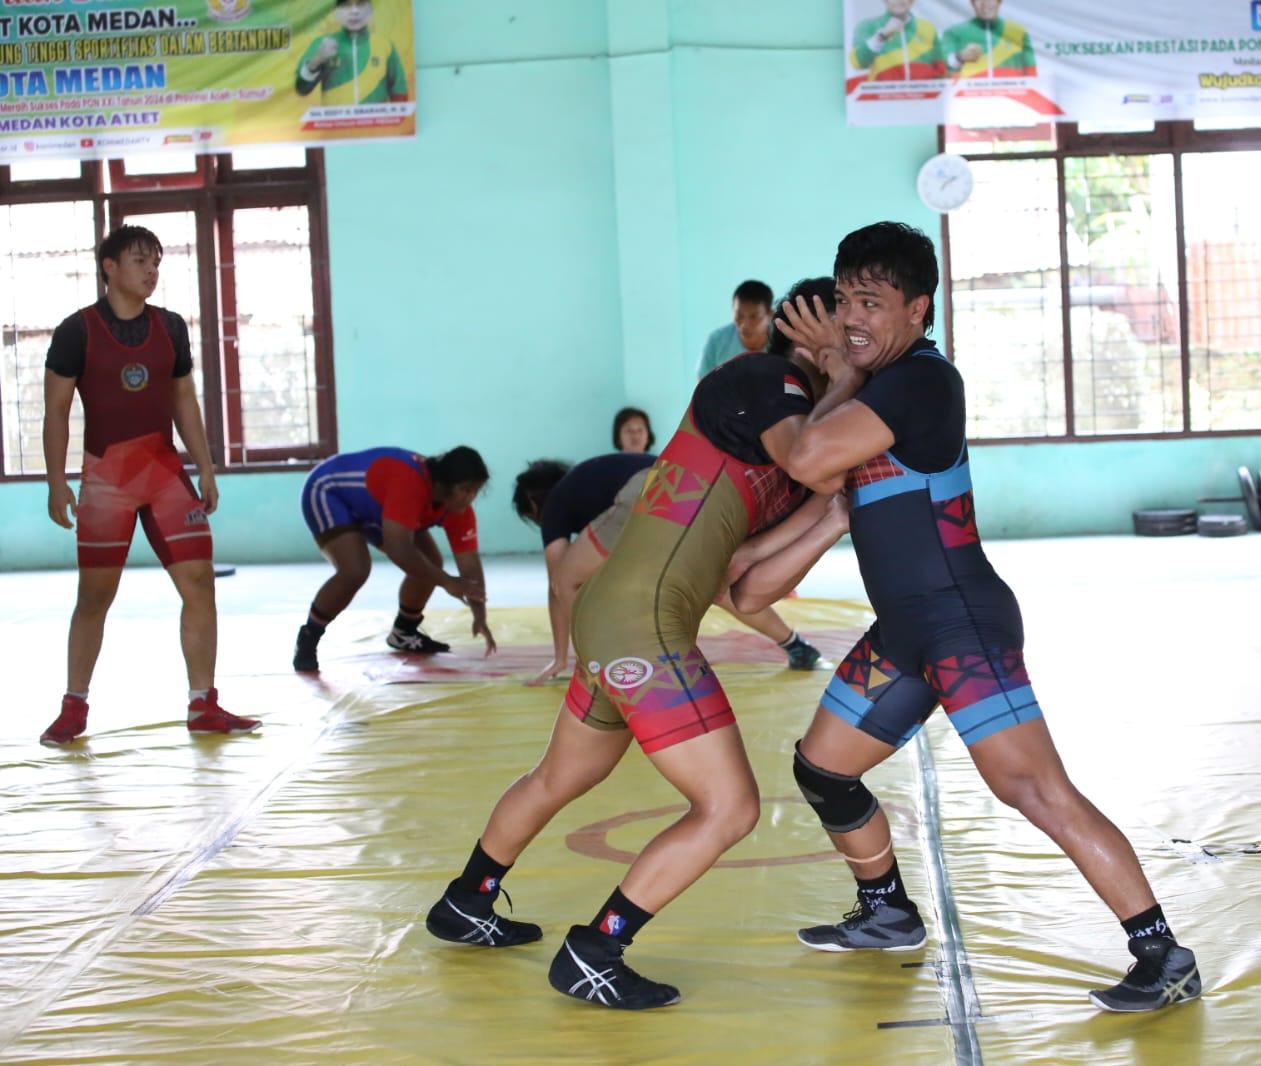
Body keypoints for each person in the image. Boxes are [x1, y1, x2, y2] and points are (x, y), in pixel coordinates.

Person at [773, 222, 1199, 1014]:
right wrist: (839, 367)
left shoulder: (919, 382)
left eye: (871, 301)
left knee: (1032, 790)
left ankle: (1161, 952)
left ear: (917, 310)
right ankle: (887, 911)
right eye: (842, 300)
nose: (852, 315)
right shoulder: (877, 384)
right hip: (905, 632)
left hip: (961, 624)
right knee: (823, 768)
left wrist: (832, 366)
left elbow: (804, 460)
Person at [425, 298, 855, 1010]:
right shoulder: (761, 381)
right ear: (809, 333)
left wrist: (831, 517)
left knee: (558, 776)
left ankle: (465, 900)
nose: (855, 350)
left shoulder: (786, 465)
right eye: (846, 328)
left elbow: (744, 591)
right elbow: (817, 452)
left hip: (618, 619)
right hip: (641, 629)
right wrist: (840, 371)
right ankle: (595, 950)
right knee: (727, 808)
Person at [38, 225, 259, 746]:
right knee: (95, 596)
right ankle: (74, 706)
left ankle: (203, 703)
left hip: (164, 473)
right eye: (140, 261)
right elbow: (56, 411)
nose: (151, 270)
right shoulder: (77, 332)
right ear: (109, 267)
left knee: (200, 583)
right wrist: (55, 481)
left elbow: (185, 398)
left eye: (157, 261)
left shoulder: (172, 327)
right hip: (106, 478)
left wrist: (204, 465)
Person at [512, 451, 824, 686]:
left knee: (568, 577)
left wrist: (560, 657)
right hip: (691, 488)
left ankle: (595, 666)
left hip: (648, 490)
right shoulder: (591, 478)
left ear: (534, 504)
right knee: (716, 584)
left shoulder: (557, 504)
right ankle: (795, 645)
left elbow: (559, 583)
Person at [292, 445, 495, 672]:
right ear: (444, 484)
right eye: (466, 490)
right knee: (355, 570)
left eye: (476, 491)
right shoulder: (410, 484)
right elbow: (399, 551)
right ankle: (309, 637)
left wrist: (480, 617)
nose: (470, 498)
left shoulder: (459, 509)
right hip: (328, 492)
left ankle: (404, 631)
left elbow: (470, 567)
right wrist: (448, 582)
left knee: (430, 562)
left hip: (376, 506)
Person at [294, 0, 410, 104]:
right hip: (335, 125)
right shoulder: (322, 43)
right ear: (336, 12)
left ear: (369, 10)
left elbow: (399, 91)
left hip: (376, 125)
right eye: (346, 5)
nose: (354, 11)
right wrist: (317, 60)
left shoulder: (385, 45)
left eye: (360, 4)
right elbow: (302, 89)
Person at [850, 0, 945, 83]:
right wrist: (882, 36)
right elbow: (857, 62)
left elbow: (942, 69)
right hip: (883, 99)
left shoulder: (927, 27)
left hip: (925, 99)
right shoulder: (868, 26)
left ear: (911, 1)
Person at [697, 280, 773, 379]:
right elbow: (703, 387)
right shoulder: (716, 341)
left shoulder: (783, 342)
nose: (744, 324)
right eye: (739, 315)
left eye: (754, 317)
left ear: (770, 314)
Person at [942, 0, 1036, 80]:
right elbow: (941, 70)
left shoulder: (1019, 33)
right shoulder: (953, 33)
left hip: (1011, 98)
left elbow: (1032, 76)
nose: (985, 3)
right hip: (969, 98)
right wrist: (960, 57)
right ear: (972, 3)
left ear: (999, 2)